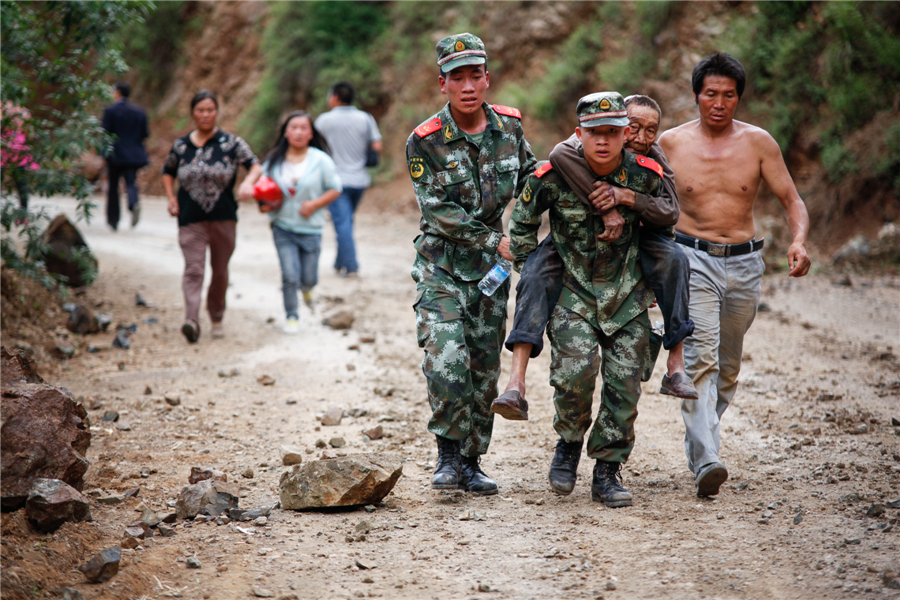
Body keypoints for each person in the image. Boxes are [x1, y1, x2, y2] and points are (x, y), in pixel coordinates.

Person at [658, 52, 811, 497]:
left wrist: (799, 240)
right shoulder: (671, 143)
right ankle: (708, 458)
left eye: (728, 95)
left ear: (739, 98)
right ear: (696, 95)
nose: (719, 103)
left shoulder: (759, 143)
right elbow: (645, 196)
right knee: (700, 360)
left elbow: (792, 200)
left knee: (727, 369)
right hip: (691, 258)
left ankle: (699, 444)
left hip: (745, 263)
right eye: (711, 94)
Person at [494, 94, 697, 428]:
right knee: (534, 272)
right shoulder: (573, 154)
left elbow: (669, 212)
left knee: (676, 258)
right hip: (572, 249)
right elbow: (557, 157)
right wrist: (605, 208)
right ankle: (516, 383)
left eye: (650, 130)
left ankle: (676, 364)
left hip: (634, 248)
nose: (640, 137)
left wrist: (626, 198)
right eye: (634, 127)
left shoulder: (650, 164)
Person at [508, 92, 666, 507]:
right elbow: (522, 223)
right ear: (579, 134)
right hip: (573, 292)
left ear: (625, 133)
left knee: (625, 387)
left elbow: (665, 225)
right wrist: (533, 270)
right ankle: (569, 443)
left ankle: (607, 470)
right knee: (574, 375)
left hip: (627, 295)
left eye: (612, 132)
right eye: (595, 132)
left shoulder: (645, 175)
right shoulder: (551, 176)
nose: (603, 141)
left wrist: (652, 283)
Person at [406, 33, 536, 495]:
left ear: (487, 79)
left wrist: (527, 230)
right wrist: (496, 240)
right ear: (442, 83)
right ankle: (447, 453)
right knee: (447, 358)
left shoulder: (510, 129)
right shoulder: (424, 141)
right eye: (456, 77)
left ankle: (471, 461)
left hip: (489, 274)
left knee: (482, 366)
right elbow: (437, 211)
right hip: (440, 267)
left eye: (474, 76)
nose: (466, 86)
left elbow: (533, 181)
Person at [162, 90, 261, 344]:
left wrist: (248, 183)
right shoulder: (181, 145)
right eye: (200, 110)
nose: (205, 115)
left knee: (220, 271)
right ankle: (192, 321)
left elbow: (255, 165)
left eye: (210, 110)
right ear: (193, 113)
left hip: (224, 217)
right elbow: (168, 171)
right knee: (194, 269)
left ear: (217, 112)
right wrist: (171, 198)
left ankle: (216, 317)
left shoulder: (231, 143)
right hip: (190, 218)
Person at [247, 111, 342, 334]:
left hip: (311, 228)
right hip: (282, 227)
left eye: (303, 128)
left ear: (311, 133)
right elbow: (263, 188)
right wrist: (263, 205)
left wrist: (315, 204)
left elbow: (335, 188)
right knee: (289, 275)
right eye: (293, 127)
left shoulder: (321, 160)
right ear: (285, 132)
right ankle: (291, 315)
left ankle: (307, 291)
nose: (298, 132)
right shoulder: (274, 160)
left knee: (308, 278)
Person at [314, 82, 382, 278]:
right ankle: (340, 262)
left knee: (342, 223)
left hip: (335, 181)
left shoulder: (324, 121)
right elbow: (377, 145)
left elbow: (314, 148)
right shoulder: (365, 118)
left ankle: (351, 266)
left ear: (335, 97)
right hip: (360, 180)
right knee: (345, 221)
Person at [102, 81, 149, 230]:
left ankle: (113, 220)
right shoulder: (139, 112)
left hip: (115, 155)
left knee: (113, 186)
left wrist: (103, 153)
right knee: (130, 182)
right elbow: (145, 134)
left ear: (117, 93)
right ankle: (133, 204)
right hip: (133, 155)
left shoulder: (110, 111)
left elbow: (105, 133)